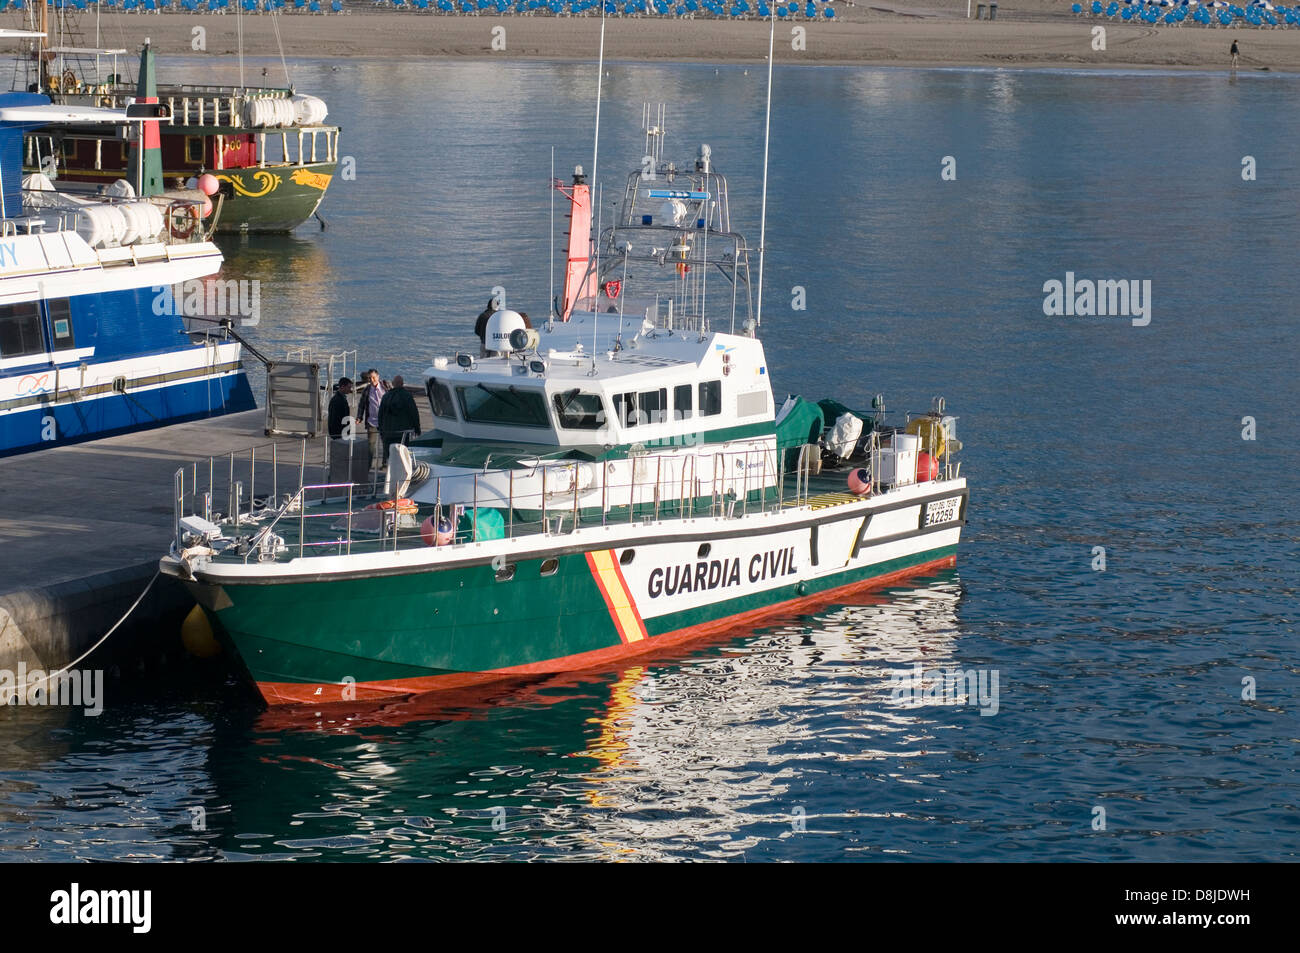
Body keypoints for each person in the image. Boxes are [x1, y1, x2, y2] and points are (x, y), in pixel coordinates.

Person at [378, 375, 423, 464]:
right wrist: (417, 428)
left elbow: (380, 415)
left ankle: (390, 472)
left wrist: (381, 429)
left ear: (393, 384)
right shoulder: (407, 396)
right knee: (402, 456)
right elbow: (413, 413)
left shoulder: (386, 397)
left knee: (390, 457)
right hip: (403, 432)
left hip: (388, 432)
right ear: (402, 384)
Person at [356, 368, 389, 471]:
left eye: (374, 377)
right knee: (370, 445)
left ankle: (385, 464)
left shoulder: (385, 387)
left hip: (385, 421)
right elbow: (361, 404)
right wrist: (359, 417)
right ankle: (368, 465)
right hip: (372, 421)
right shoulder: (367, 390)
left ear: (378, 377)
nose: (372, 379)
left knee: (386, 443)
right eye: (370, 378)